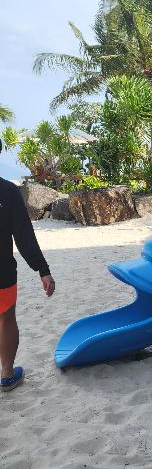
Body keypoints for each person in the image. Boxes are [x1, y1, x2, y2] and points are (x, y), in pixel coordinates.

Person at [0, 139, 55, 392]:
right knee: (6, 319)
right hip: (2, 272)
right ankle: (7, 374)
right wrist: (43, 270)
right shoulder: (8, 192)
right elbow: (23, 236)